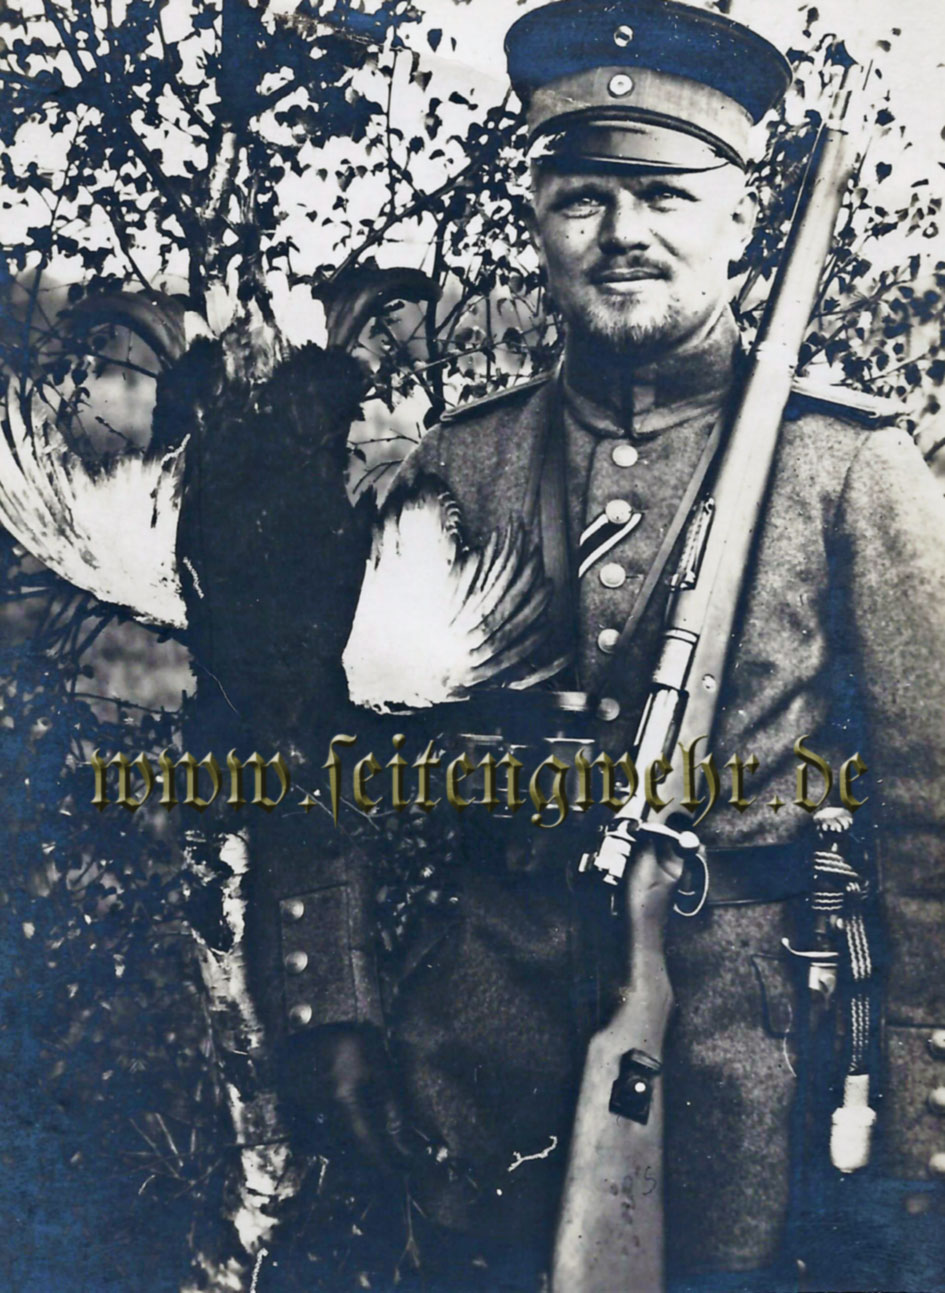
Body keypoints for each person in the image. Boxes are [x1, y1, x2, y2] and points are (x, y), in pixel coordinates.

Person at [218, 1, 945, 1288]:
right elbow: (328, 761)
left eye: (664, 195)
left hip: (749, 1085)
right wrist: (333, 1007)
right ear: (537, 219)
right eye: (583, 197)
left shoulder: (849, 467)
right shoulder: (462, 462)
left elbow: (930, 812)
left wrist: (917, 1114)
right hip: (476, 1062)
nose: (623, 234)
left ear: (738, 218)